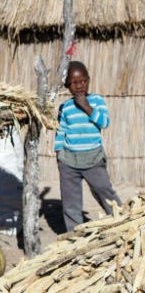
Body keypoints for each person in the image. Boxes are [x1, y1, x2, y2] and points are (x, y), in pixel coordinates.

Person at [54, 61, 120, 232]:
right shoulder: (66, 107)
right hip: (69, 161)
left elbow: (104, 123)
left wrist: (87, 107)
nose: (79, 86)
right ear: (67, 85)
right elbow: (61, 131)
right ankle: (75, 235)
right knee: (70, 202)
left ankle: (121, 221)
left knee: (104, 191)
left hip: (94, 159)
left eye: (83, 81)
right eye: (74, 83)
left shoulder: (97, 101)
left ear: (88, 80)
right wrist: (59, 155)